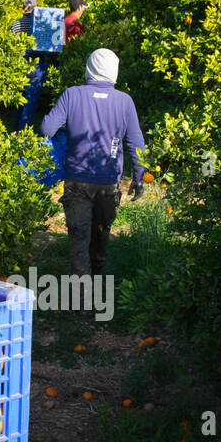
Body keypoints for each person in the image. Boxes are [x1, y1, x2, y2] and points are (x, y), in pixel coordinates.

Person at [41, 48, 147, 279]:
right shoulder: (125, 102)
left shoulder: (72, 95)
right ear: (114, 71)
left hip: (76, 180)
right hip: (107, 181)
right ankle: (97, 286)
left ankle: (82, 303)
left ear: (89, 68)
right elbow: (136, 144)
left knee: (79, 241)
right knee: (101, 236)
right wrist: (138, 178)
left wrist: (70, 130)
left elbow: (47, 128)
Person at [9, 0, 48, 131]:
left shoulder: (16, 24)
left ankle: (16, 128)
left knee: (21, 99)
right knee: (30, 101)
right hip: (35, 64)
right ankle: (24, 132)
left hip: (20, 65)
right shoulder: (40, 24)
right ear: (35, 8)